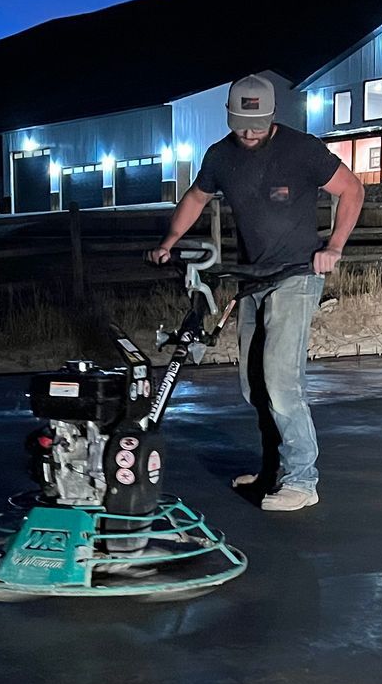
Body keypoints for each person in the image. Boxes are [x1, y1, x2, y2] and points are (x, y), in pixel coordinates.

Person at [150, 75, 364, 511]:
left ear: (272, 118)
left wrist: (334, 246)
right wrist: (169, 241)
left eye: (259, 125)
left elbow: (352, 190)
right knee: (254, 385)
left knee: (282, 382)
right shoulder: (219, 156)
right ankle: (273, 472)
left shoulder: (302, 150)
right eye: (242, 124)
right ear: (230, 117)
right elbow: (195, 198)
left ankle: (303, 481)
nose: (250, 133)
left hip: (297, 274)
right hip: (252, 279)